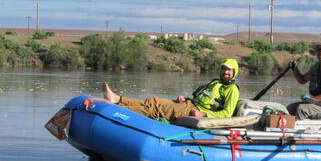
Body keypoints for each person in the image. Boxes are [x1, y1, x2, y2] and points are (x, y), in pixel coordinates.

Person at [102, 58, 240, 120]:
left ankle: (117, 108)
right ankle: (117, 99)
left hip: (195, 111)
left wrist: (203, 115)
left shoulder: (232, 90)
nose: (225, 72)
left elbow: (227, 114)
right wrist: (185, 99)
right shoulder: (216, 82)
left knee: (156, 109)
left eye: (229, 70)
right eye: (224, 69)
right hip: (189, 104)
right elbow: (203, 98)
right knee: (153, 101)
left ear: (234, 72)